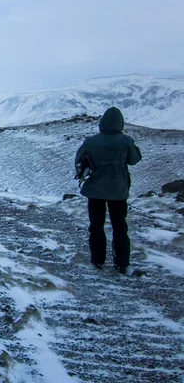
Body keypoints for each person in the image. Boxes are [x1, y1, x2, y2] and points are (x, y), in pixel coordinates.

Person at [75, 107, 142, 274]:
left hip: (95, 190)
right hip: (118, 191)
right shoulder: (126, 141)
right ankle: (122, 262)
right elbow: (134, 160)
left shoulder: (91, 141)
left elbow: (78, 162)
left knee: (96, 225)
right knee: (120, 226)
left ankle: (97, 260)